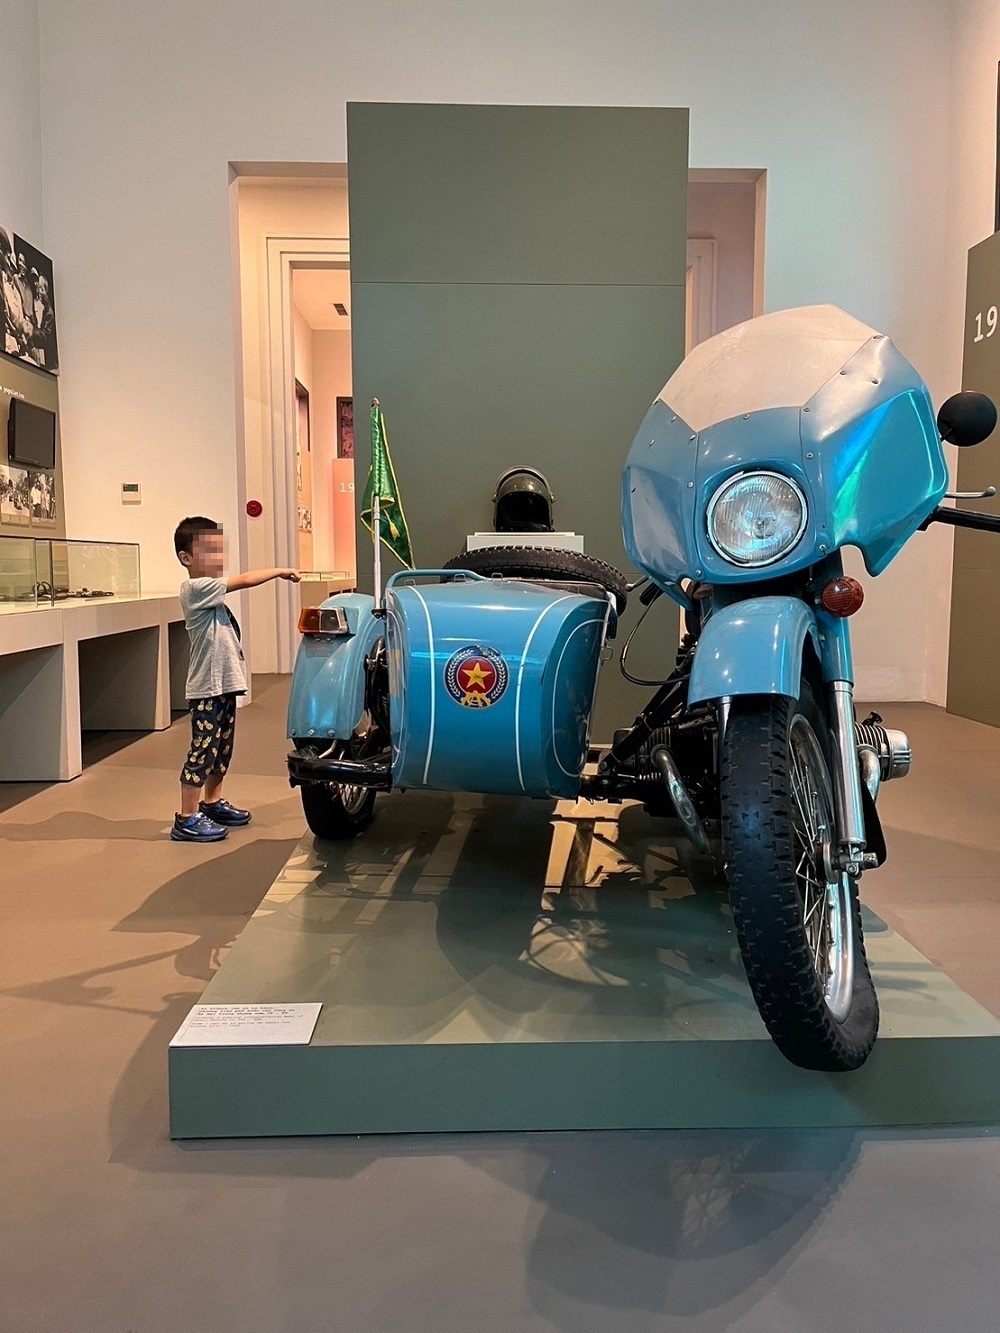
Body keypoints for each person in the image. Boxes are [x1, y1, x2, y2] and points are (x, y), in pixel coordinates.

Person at [172, 515, 300, 843]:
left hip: (223, 687)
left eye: (219, 550)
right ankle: (186, 817)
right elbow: (243, 580)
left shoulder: (210, 595)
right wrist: (280, 571)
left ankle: (212, 803)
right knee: (202, 751)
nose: (218, 557)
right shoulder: (194, 589)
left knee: (220, 750)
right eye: (209, 551)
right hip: (207, 688)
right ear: (186, 558)